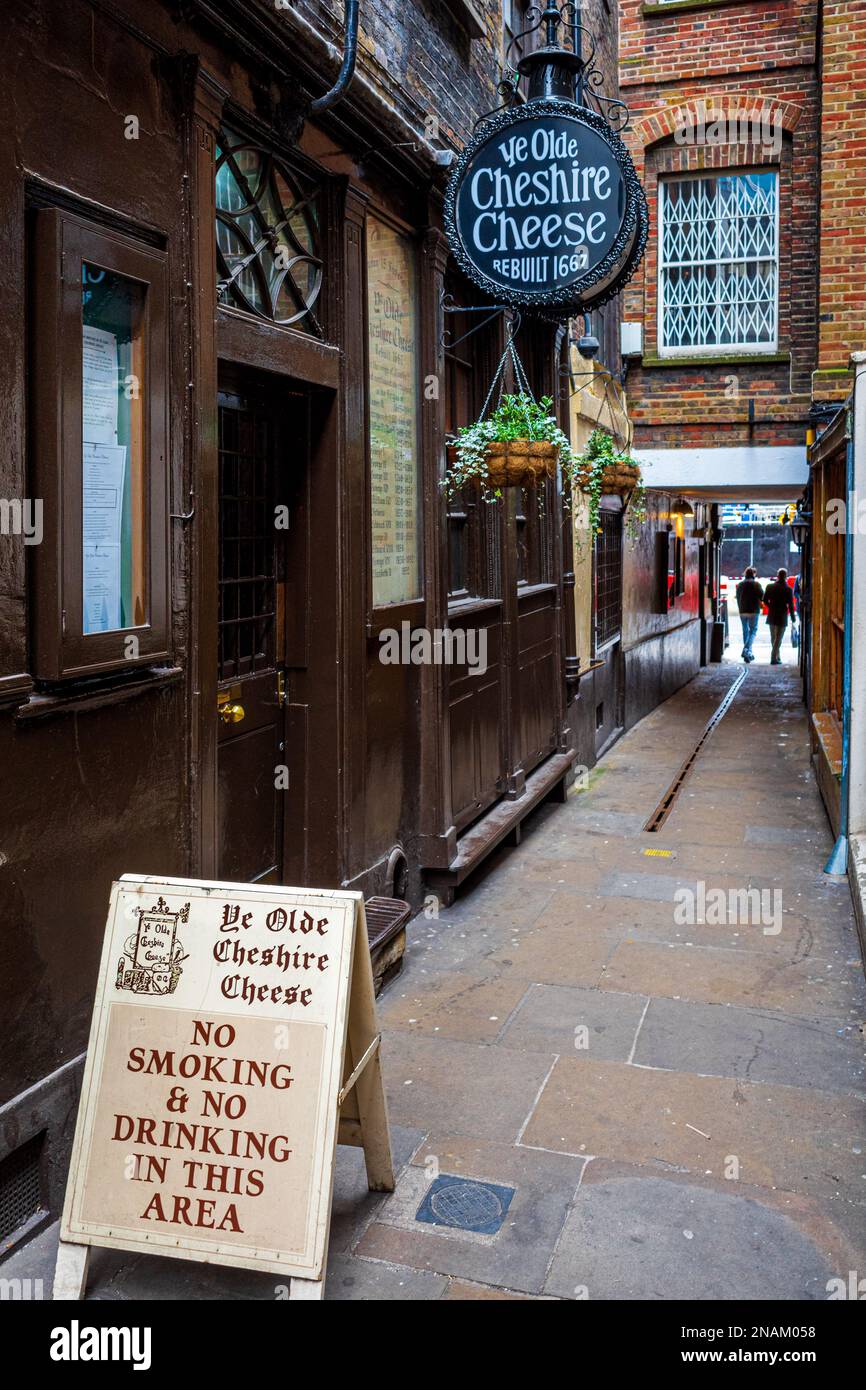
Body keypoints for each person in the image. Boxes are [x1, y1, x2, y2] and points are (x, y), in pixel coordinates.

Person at [763, 567, 797, 664]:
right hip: (782, 615)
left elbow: (764, 600)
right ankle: (774, 657)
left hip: (772, 614)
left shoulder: (770, 587)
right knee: (778, 638)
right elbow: (791, 605)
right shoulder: (788, 589)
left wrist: (770, 606)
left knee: (773, 637)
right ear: (785, 576)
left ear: (777, 576)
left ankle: (777, 656)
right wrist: (793, 618)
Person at [735, 567, 763, 663]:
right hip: (754, 610)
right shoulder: (756, 584)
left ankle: (748, 653)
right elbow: (762, 596)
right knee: (753, 630)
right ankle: (746, 649)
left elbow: (737, 597)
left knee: (745, 631)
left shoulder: (740, 584)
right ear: (753, 574)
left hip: (743, 611)